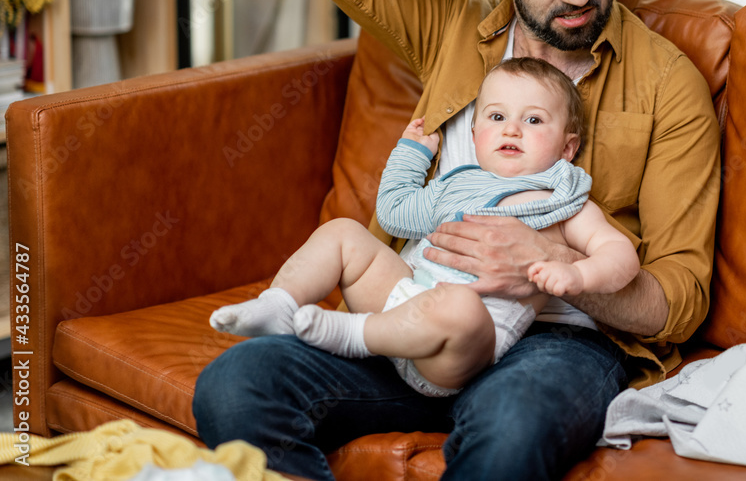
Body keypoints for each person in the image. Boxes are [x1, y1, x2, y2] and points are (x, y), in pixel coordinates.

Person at [193, 0, 721, 481]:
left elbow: (681, 301)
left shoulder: (667, 84)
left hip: (561, 341)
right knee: (235, 384)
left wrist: (550, 264)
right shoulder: (454, 21)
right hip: (414, 308)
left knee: (513, 424)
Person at [208, 58, 639, 398]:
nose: (511, 128)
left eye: (533, 120)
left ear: (568, 146)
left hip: (456, 347)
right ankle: (279, 304)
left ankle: (355, 337)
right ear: (474, 136)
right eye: (495, 117)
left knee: (458, 305)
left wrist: (577, 274)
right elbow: (395, 212)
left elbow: (620, 256)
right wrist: (412, 153)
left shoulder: (561, 199)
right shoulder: (455, 185)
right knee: (343, 233)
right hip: (402, 298)